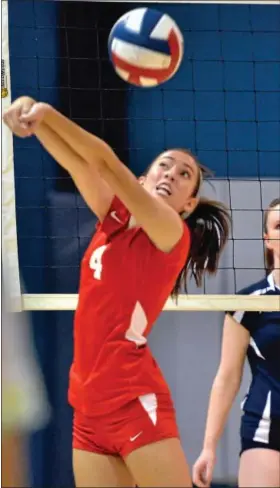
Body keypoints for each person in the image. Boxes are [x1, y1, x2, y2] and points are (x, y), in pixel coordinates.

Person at [3, 96, 230, 488]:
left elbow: (105, 162)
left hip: (133, 400)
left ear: (188, 204)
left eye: (184, 175)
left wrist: (49, 113)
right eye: (165, 165)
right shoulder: (114, 217)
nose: (171, 175)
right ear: (144, 178)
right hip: (88, 406)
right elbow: (79, 164)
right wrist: (32, 120)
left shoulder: (172, 232)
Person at [193, 198, 280, 488]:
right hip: (267, 429)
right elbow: (227, 377)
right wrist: (208, 446)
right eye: (279, 226)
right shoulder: (246, 304)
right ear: (268, 240)